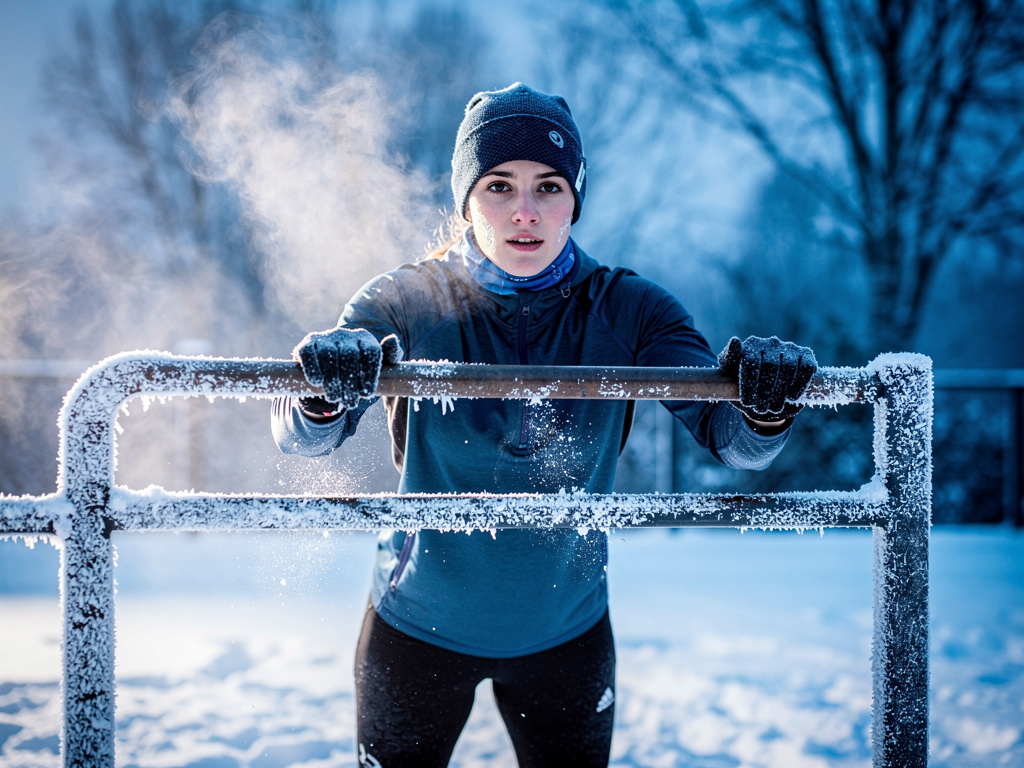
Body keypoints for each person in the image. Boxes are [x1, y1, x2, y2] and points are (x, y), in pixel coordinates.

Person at [271, 83, 816, 768]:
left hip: (567, 634)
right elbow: (305, 436)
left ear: (575, 197)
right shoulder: (408, 300)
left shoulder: (630, 308)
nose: (524, 212)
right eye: (499, 185)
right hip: (416, 627)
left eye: (549, 187)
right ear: (466, 197)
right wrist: (324, 389)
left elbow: (733, 441)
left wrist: (764, 403)